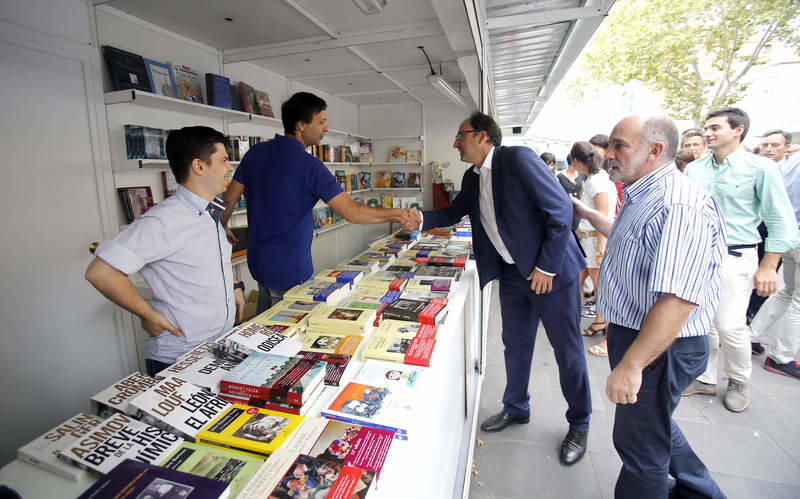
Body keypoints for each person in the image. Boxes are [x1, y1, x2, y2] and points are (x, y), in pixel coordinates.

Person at [409, 112, 591, 466]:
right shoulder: (472, 177)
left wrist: (545, 267)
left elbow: (560, 211)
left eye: (459, 136)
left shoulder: (519, 160)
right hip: (511, 275)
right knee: (515, 345)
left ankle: (579, 423)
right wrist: (416, 218)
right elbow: (452, 213)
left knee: (567, 352)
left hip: (550, 274)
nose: (455, 144)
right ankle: (516, 407)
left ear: (482, 137)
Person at [572, 115, 725, 498]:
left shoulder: (677, 205)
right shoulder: (644, 193)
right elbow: (632, 239)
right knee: (653, 425)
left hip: (658, 346)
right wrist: (589, 214)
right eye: (610, 145)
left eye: (619, 145)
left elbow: (677, 300)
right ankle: (699, 491)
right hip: (641, 338)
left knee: (640, 447)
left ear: (654, 150)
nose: (608, 154)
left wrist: (633, 365)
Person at [221, 92, 416, 314]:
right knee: (288, 336)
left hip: (259, 265)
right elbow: (352, 212)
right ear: (301, 125)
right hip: (291, 272)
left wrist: (223, 225)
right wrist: (398, 214)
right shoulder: (310, 166)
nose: (325, 128)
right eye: (321, 122)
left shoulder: (255, 153)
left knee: (265, 326)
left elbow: (229, 199)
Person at [85, 126, 245, 376]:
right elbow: (101, 272)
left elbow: (210, 260)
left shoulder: (209, 211)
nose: (230, 167)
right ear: (199, 166)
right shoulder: (163, 220)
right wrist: (148, 314)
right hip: (180, 357)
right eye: (224, 160)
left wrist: (235, 286)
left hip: (217, 345)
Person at [683, 108, 797, 412]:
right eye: (706, 127)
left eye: (715, 127)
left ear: (738, 130)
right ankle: (705, 377)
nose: (708, 132)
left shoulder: (760, 168)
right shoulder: (695, 170)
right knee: (702, 321)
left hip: (737, 255)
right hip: (698, 255)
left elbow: (780, 220)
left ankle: (738, 380)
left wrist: (769, 265)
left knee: (730, 325)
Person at [749, 151, 800, 378]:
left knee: (787, 292)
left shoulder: (793, 161)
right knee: (796, 299)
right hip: (789, 233)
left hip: (789, 234)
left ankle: (751, 335)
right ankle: (782, 356)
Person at [571, 141, 616, 355]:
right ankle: (597, 322)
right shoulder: (596, 180)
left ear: (577, 161)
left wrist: (600, 248)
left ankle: (609, 339)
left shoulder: (596, 182)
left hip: (594, 240)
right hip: (588, 239)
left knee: (601, 290)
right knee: (579, 280)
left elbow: (603, 216)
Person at [556, 153, 584, 233]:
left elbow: (582, 192)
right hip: (565, 212)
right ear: (574, 161)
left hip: (578, 212)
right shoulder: (560, 176)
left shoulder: (581, 176)